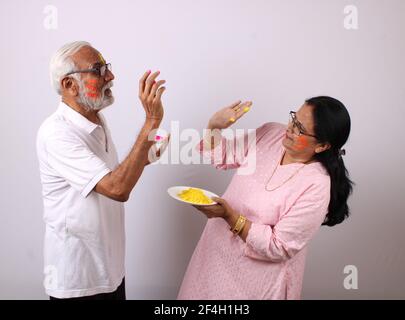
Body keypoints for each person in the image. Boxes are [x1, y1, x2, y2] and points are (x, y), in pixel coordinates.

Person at [178, 96, 353, 299]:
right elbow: (221, 155)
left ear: (322, 146)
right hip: (213, 259)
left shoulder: (316, 185)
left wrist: (229, 215)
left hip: (256, 282)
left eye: (300, 129)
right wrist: (214, 127)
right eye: (294, 118)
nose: (290, 128)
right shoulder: (271, 134)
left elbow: (279, 247)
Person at [36, 41, 168, 299]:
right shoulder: (56, 133)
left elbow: (109, 177)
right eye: (98, 69)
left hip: (110, 272)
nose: (110, 76)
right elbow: (117, 188)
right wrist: (151, 120)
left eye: (106, 67)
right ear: (69, 85)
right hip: (78, 281)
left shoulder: (94, 118)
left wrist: (146, 155)